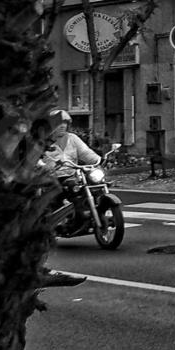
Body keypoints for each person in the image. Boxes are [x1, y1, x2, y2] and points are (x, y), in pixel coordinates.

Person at [38, 109, 100, 288]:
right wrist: (45, 166)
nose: (63, 126)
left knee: (93, 185)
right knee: (53, 196)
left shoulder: (73, 139)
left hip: (73, 175)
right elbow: (38, 160)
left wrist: (97, 160)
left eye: (65, 123)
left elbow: (86, 153)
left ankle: (89, 212)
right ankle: (58, 221)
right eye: (59, 124)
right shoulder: (44, 143)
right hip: (52, 178)